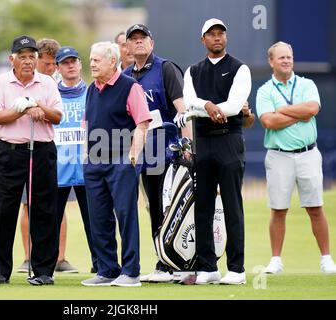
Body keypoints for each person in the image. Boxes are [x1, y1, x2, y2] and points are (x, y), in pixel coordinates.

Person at [178, 18, 252, 285]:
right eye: (211, 34)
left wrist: (205, 108)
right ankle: (207, 266)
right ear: (203, 40)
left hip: (229, 140)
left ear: (226, 38)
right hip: (203, 142)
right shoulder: (193, 71)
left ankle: (237, 268)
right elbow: (188, 103)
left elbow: (234, 106)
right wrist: (207, 106)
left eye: (221, 33)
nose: (217, 37)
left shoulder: (239, 68)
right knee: (203, 206)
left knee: (232, 205)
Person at [0, 35, 62, 285]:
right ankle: (0, 270)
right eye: (22, 57)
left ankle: (43, 271)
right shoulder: (1, 82)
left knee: (44, 210)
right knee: (3, 211)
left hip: (42, 151)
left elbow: (57, 116)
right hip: (9, 151)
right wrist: (22, 109)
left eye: (32, 56)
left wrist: (37, 105)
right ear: (12, 59)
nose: (28, 61)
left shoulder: (48, 83)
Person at [256, 41, 336, 274]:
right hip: (279, 156)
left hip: (308, 153)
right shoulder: (264, 91)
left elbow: (312, 109)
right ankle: (276, 260)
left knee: (315, 207)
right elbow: (268, 121)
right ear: (271, 61)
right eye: (281, 58)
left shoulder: (306, 84)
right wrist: (298, 114)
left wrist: (282, 110)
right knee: (279, 209)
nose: (287, 61)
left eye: (289, 57)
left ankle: (326, 258)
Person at [123, 23, 191, 283]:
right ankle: (164, 261)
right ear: (127, 46)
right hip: (143, 151)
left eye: (143, 38)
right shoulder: (127, 75)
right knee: (153, 207)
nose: (138, 42)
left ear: (151, 43)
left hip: (168, 147)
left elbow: (182, 111)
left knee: (171, 206)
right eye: (134, 39)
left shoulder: (166, 69)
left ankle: (179, 261)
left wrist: (187, 147)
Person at [81, 42, 152, 287]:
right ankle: (107, 270)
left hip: (122, 160)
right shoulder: (91, 89)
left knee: (125, 215)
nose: (91, 64)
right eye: (91, 59)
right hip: (94, 162)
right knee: (99, 218)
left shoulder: (130, 87)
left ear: (112, 62)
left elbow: (143, 123)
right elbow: (86, 124)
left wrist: (133, 156)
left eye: (97, 60)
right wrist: (85, 155)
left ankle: (131, 273)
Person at [17, 38, 79, 274]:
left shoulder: (58, 84)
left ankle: (59, 258)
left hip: (55, 151)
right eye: (47, 64)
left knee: (56, 206)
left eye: (54, 64)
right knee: (27, 203)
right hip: (28, 148)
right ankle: (27, 256)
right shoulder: (30, 81)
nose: (51, 69)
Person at [53, 45, 98, 274]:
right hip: (58, 169)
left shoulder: (93, 93)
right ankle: (45, 267)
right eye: (65, 63)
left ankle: (101, 265)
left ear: (80, 64)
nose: (70, 66)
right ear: (58, 68)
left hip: (87, 169)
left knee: (94, 221)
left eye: (74, 61)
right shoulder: (51, 96)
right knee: (51, 222)